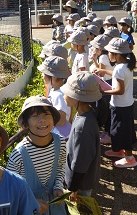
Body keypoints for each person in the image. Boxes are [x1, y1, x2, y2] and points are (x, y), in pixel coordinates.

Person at [6, 95, 67, 214]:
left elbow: (60, 167)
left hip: (54, 206)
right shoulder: (19, 154)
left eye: (46, 115)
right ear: (26, 123)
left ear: (54, 118)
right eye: (35, 116)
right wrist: (30, 201)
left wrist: (58, 187)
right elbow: (10, 187)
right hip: (29, 208)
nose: (42, 120)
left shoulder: (60, 143)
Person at [94, 38, 137, 168]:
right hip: (127, 104)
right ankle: (118, 151)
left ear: (117, 54)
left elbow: (119, 90)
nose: (108, 55)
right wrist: (105, 72)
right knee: (120, 130)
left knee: (122, 132)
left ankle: (130, 158)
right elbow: (118, 75)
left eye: (109, 52)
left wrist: (103, 91)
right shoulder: (127, 64)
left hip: (120, 106)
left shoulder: (119, 69)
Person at [60, 71, 102, 200]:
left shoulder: (82, 126)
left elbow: (80, 162)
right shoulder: (86, 114)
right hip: (82, 180)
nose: (63, 95)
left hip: (80, 184)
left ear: (76, 98)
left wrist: (73, 188)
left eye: (67, 92)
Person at [37, 56, 72, 138]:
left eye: (45, 74)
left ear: (54, 77)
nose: (43, 76)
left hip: (60, 136)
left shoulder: (59, 95)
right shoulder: (54, 91)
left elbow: (61, 120)